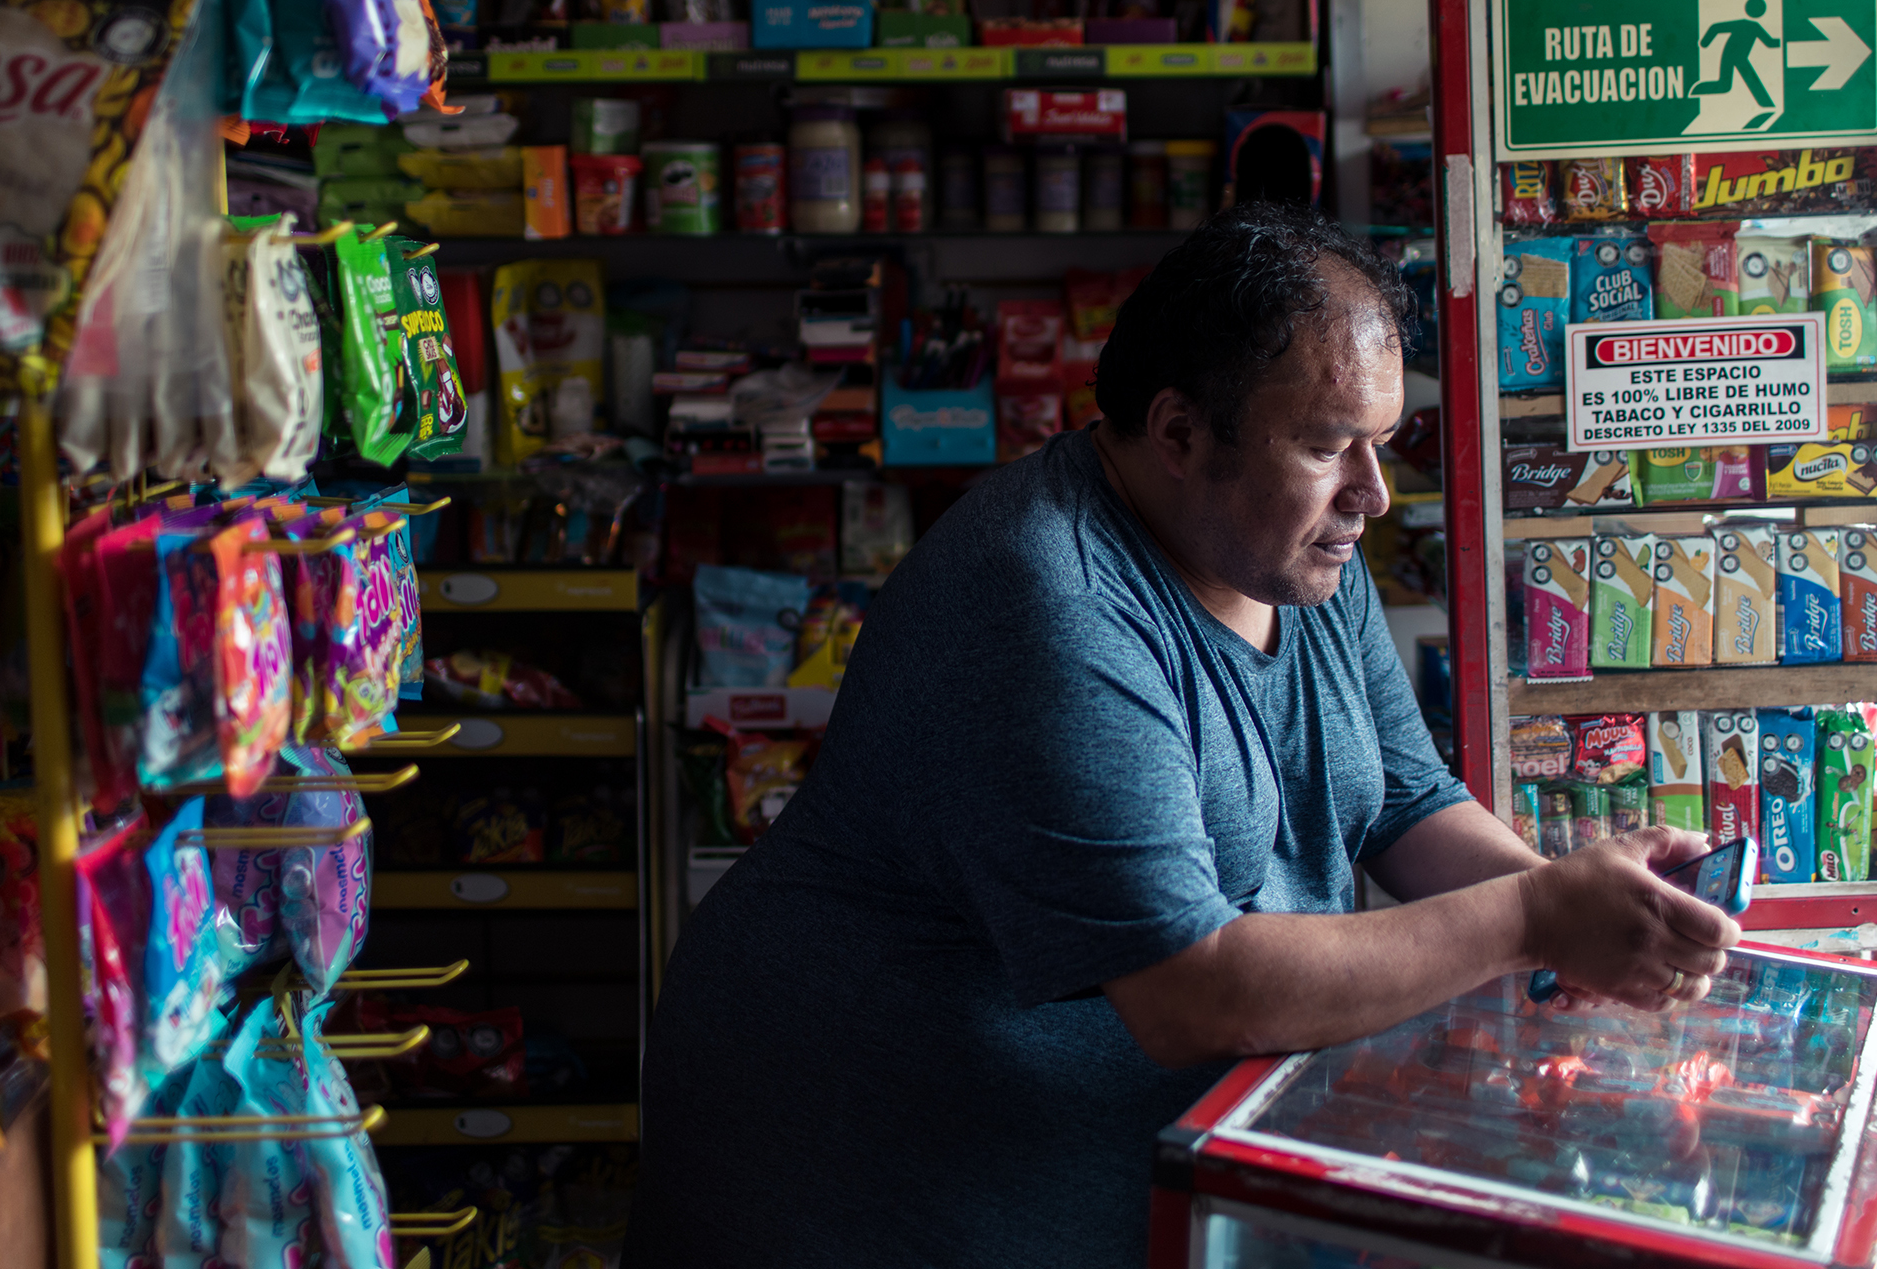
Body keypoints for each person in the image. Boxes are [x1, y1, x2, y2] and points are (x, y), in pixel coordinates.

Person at [630, 205, 1738, 1268]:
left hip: (1080, 1158)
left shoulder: (1289, 546)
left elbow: (1402, 799)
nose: (1373, 492)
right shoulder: (1045, 597)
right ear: (1177, 432)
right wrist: (1537, 916)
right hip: (873, 1178)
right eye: (1329, 445)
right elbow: (1192, 989)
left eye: (1383, 442)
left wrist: (1590, 919)